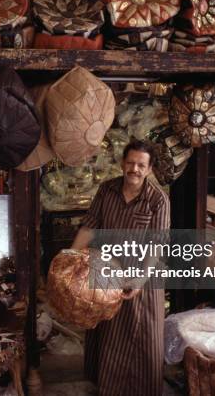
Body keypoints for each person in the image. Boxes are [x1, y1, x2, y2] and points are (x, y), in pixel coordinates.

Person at [72, 140, 170, 396]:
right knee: (108, 333)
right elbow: (90, 226)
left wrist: (139, 280)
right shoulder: (107, 190)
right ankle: (107, 388)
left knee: (143, 340)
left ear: (149, 169)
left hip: (143, 278)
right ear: (122, 163)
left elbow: (157, 245)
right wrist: (71, 257)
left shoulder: (157, 200)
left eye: (141, 165)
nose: (134, 169)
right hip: (108, 272)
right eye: (130, 163)